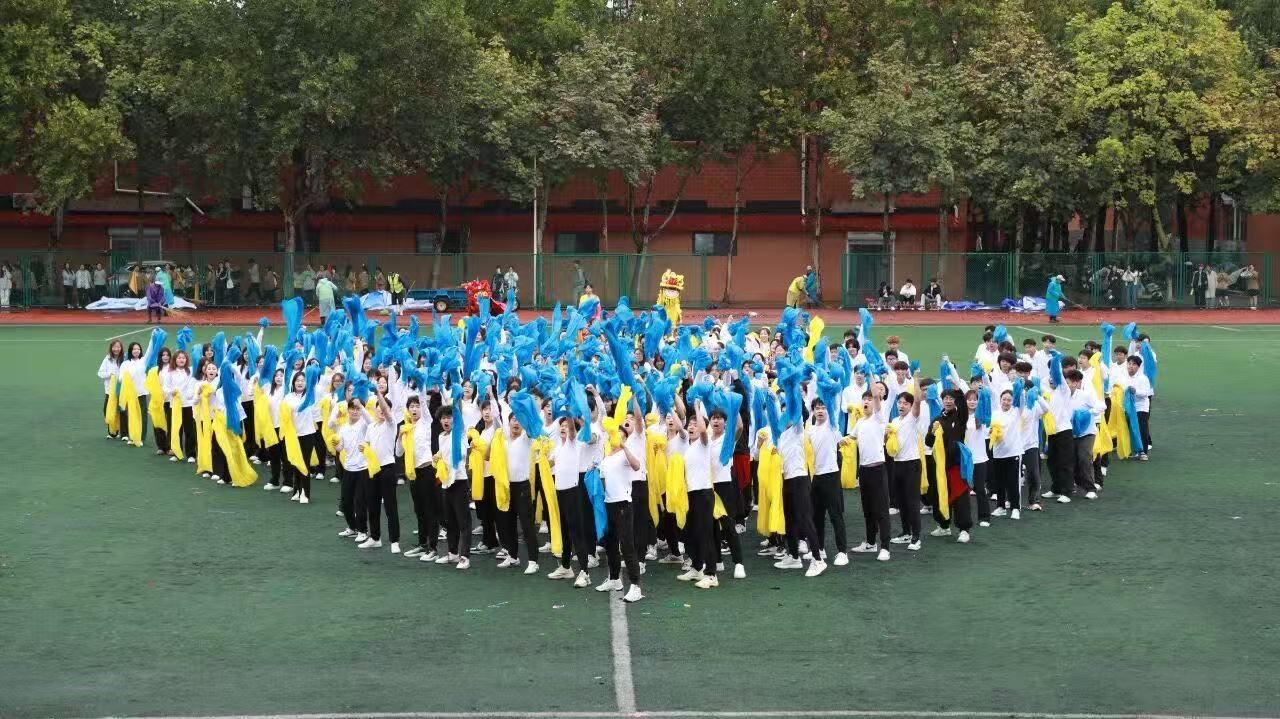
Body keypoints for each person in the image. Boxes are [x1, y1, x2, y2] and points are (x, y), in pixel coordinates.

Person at [598, 411, 644, 602]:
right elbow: (602, 480)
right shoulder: (606, 458)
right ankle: (615, 579)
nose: (615, 437)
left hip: (623, 504)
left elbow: (637, 466)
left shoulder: (625, 454)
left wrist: (624, 446)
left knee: (627, 545)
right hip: (609, 504)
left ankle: (635, 586)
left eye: (619, 435)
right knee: (611, 544)